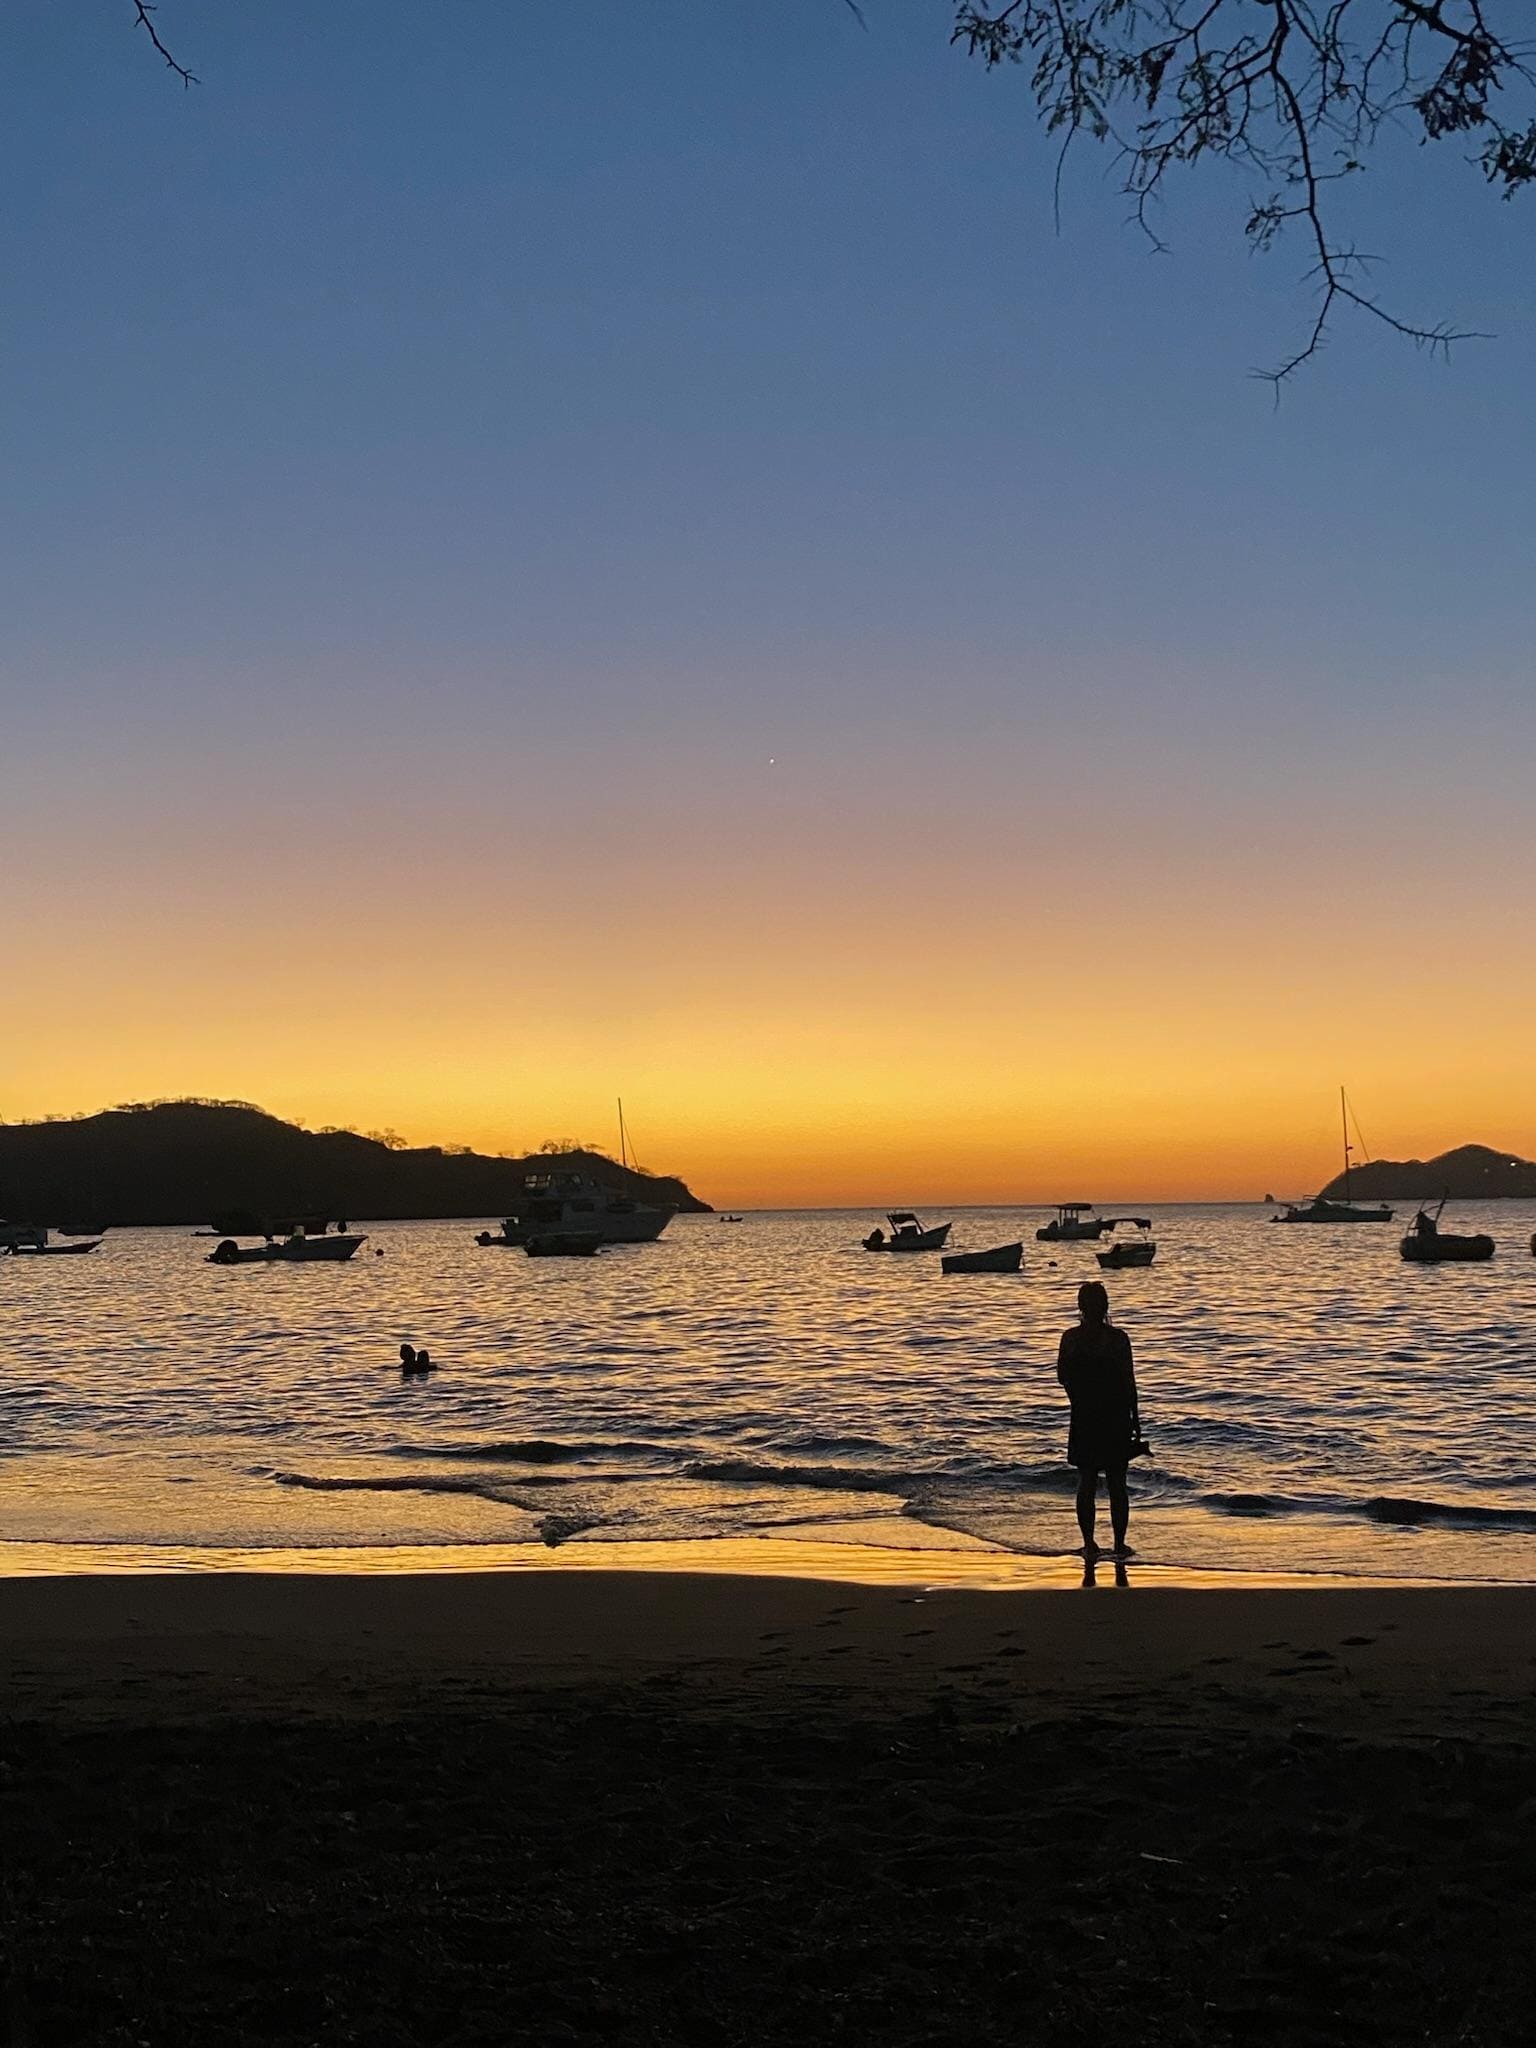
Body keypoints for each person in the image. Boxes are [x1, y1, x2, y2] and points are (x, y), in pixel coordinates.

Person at [1056, 1280, 1140, 1560]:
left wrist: (1078, 1397)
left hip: (1084, 1414)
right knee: (1117, 1483)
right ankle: (1119, 1544)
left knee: (1087, 1481)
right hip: (1115, 1415)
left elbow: (1062, 1377)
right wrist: (1135, 1419)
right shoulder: (1118, 1339)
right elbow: (1129, 1382)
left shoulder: (1071, 1339)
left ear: (1080, 1306)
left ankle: (1089, 1543)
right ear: (1105, 1306)